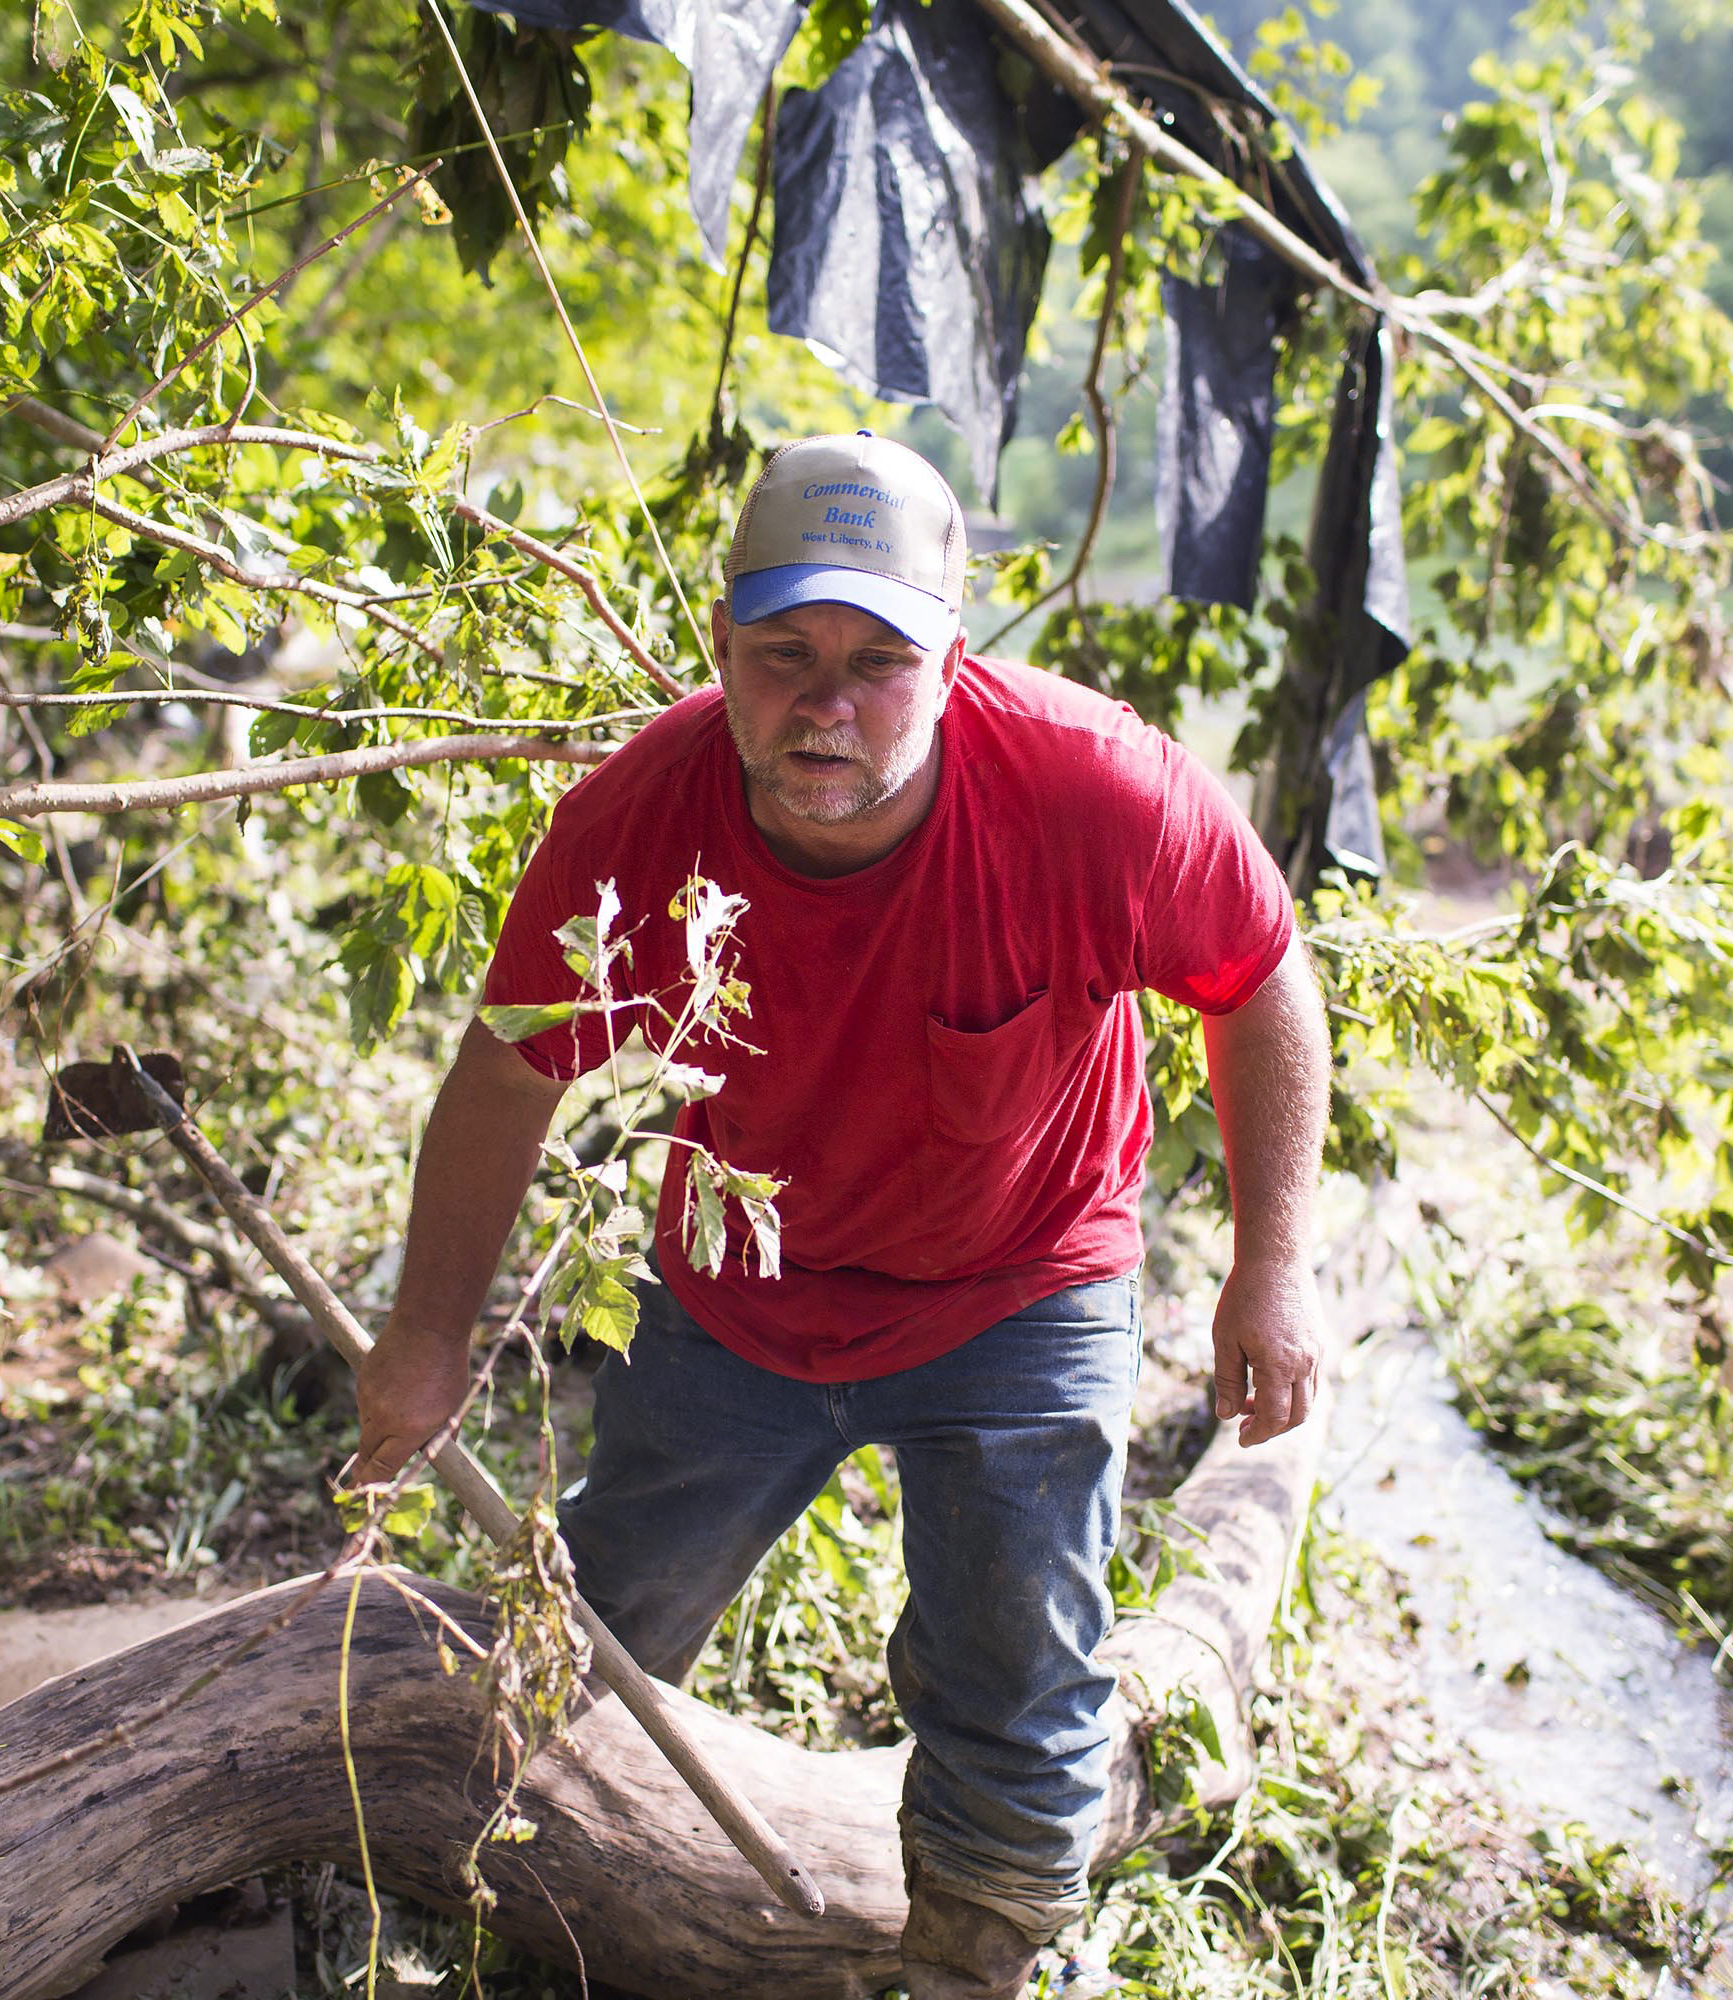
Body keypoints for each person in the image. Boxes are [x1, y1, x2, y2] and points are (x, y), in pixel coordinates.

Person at [352, 432, 1330, 1997]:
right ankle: (495, 1912)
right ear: (722, 647)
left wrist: (1270, 1272)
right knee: (599, 1629)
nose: (827, 702)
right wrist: (423, 1336)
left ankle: (974, 1960)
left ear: (952, 657)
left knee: (1016, 1675)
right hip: (745, 1296)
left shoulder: (1092, 791)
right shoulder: (636, 824)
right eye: (785, 652)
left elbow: (1263, 972)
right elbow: (505, 1075)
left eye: (878, 660)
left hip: (1022, 1283)